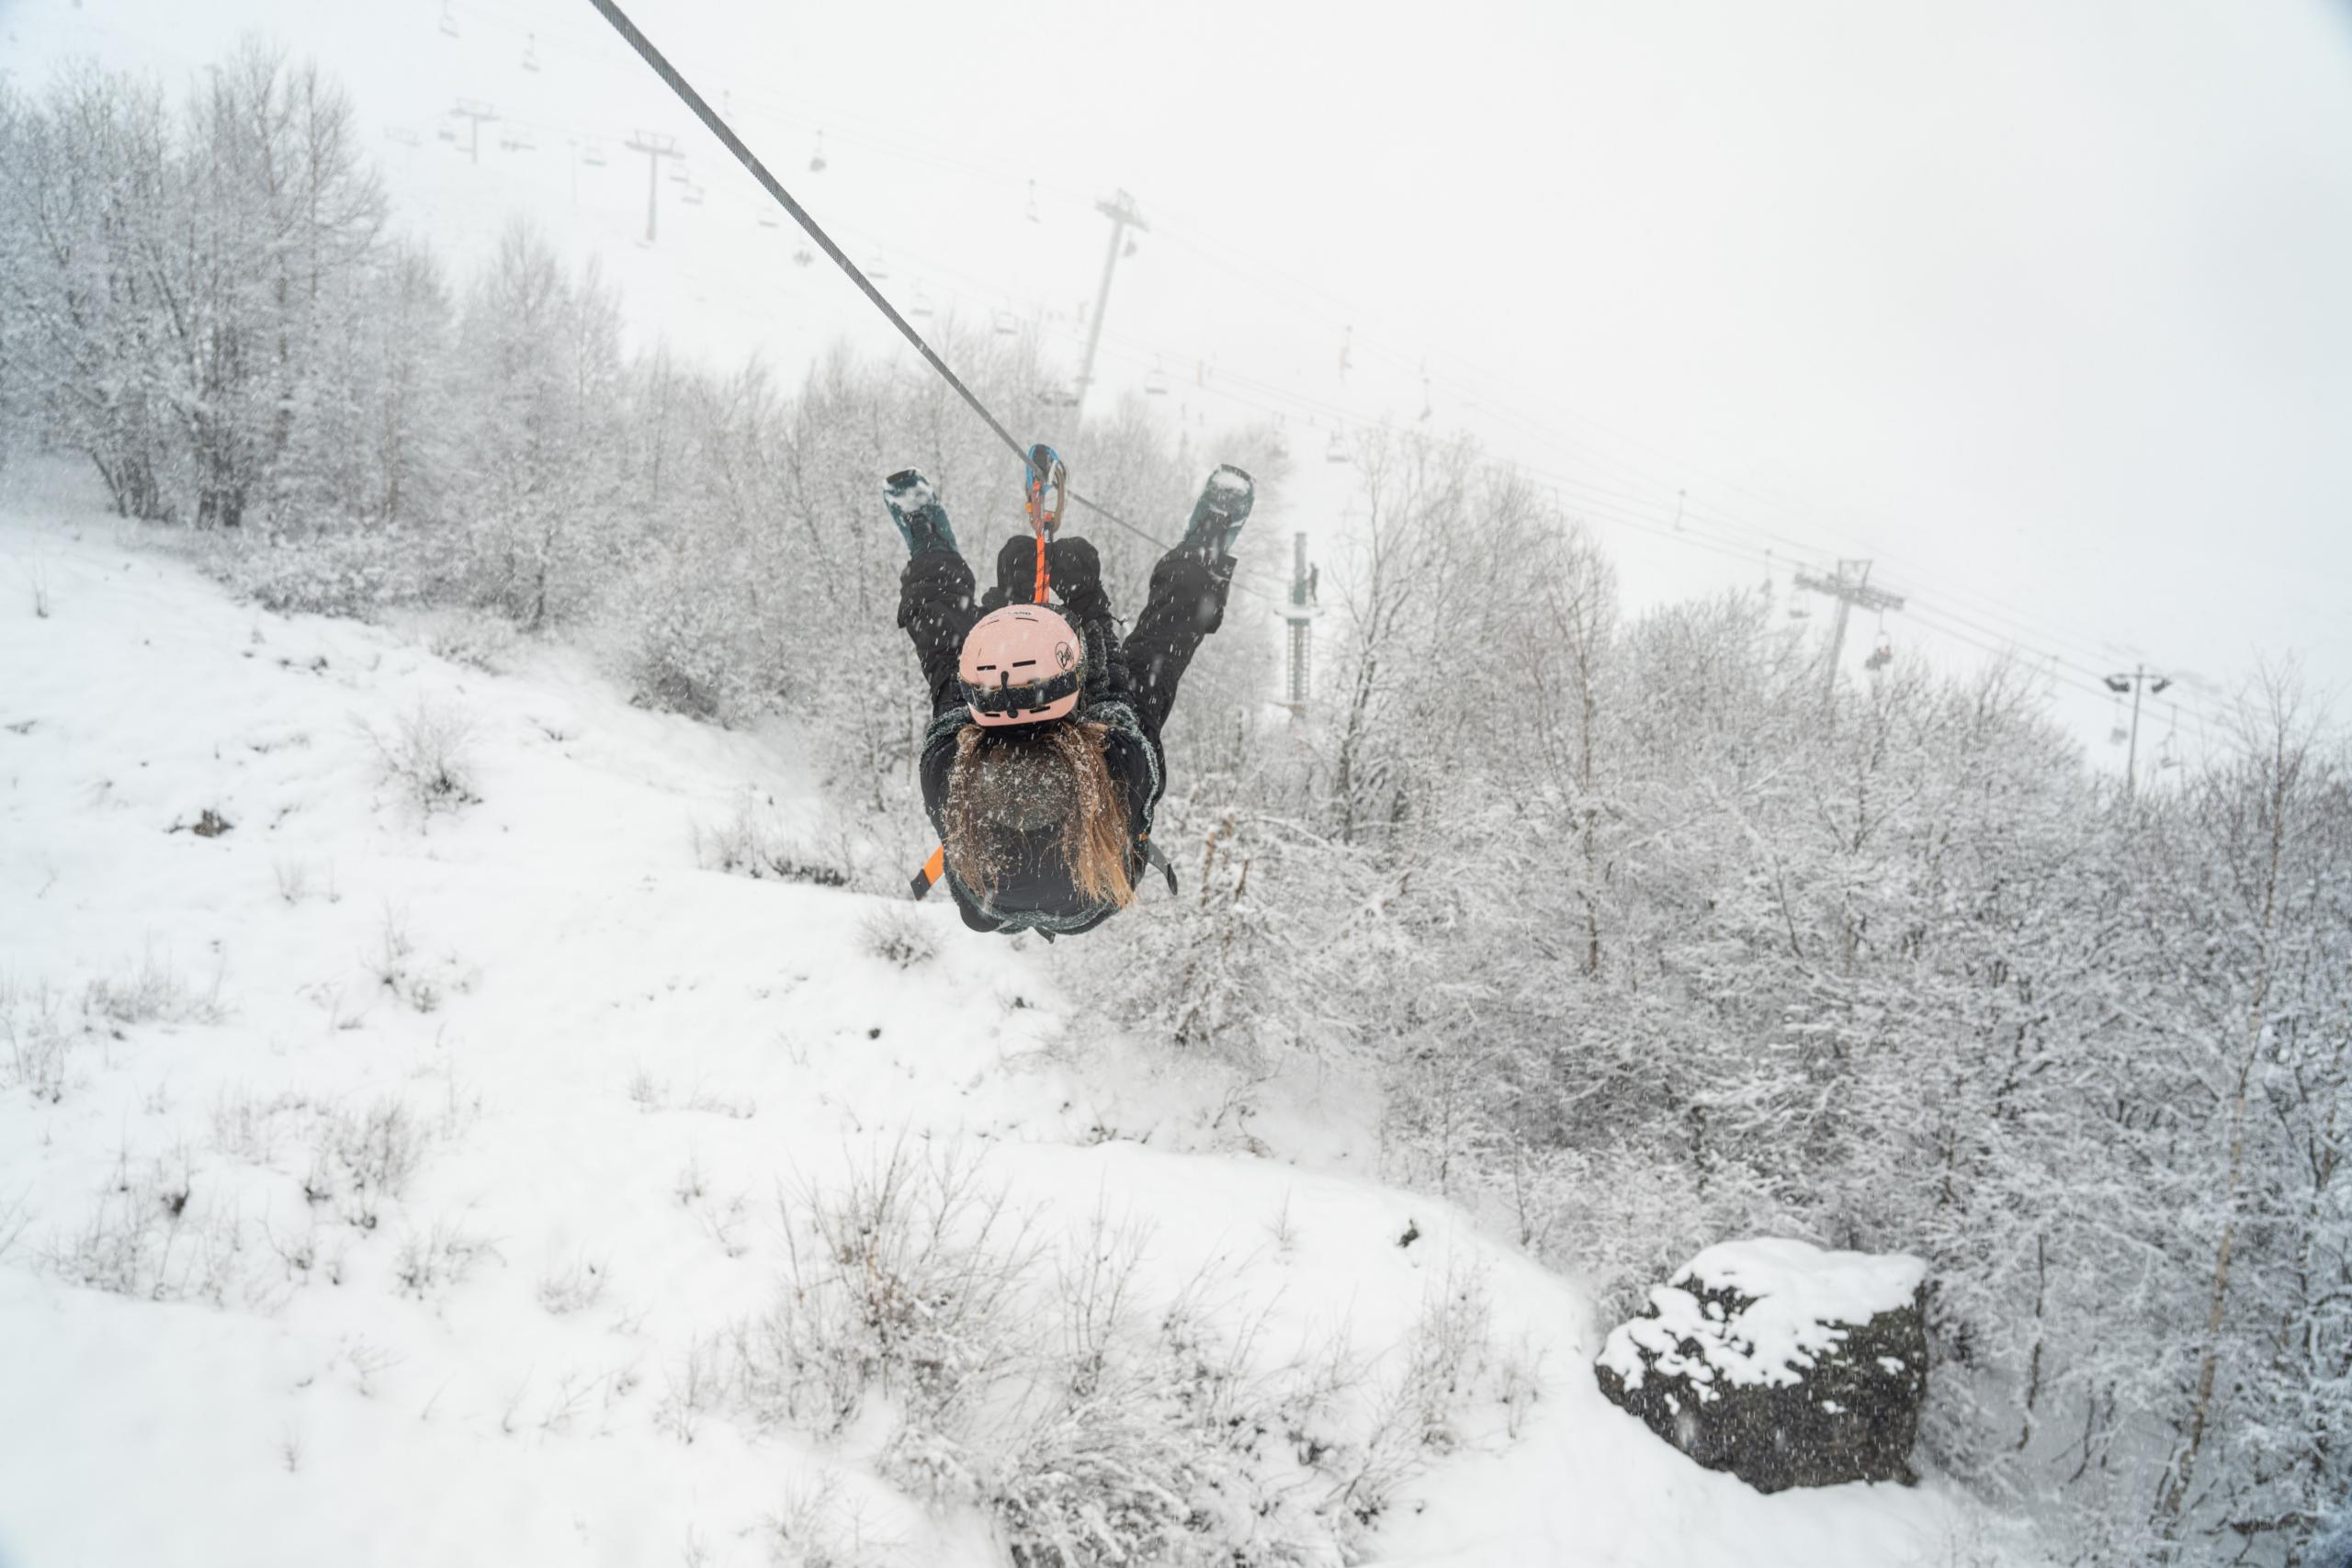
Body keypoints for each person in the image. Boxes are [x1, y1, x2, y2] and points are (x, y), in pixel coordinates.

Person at [886, 462, 1253, 937]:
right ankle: (1207, 546)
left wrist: (1007, 606)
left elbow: (955, 679)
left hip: (988, 903)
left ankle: (929, 539)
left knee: (942, 646)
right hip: (1089, 898)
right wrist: (1089, 605)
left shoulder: (947, 768)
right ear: (1074, 680)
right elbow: (1115, 691)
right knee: (1154, 657)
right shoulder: (1119, 762)